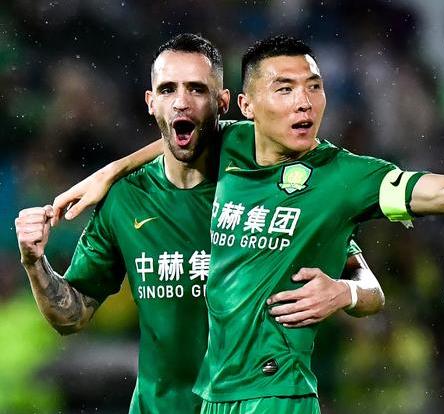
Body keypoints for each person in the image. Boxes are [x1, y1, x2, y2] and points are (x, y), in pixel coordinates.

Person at [54, 35, 444, 413]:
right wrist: (110, 172)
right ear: (246, 106)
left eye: (314, 86)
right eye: (284, 89)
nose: (304, 102)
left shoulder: (342, 178)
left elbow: (443, 191)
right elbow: (178, 134)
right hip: (214, 397)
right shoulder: (232, 148)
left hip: (278, 394)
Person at [15, 34, 385, 414]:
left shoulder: (268, 186)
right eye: (168, 89)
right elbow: (71, 316)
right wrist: (34, 262)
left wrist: (346, 292)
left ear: (223, 103)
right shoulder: (125, 200)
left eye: (196, 89)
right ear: (151, 102)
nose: (181, 101)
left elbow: (367, 283)